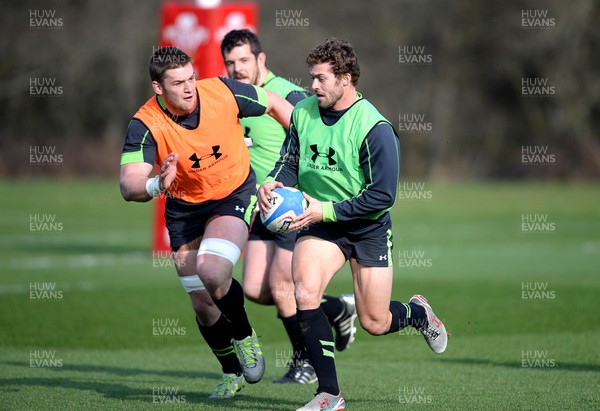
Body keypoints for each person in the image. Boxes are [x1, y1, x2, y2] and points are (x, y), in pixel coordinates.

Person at [258, 38, 448, 411]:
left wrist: (325, 210)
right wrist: (274, 180)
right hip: (319, 222)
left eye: (321, 79)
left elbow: (382, 196)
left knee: (375, 321)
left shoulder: (374, 127)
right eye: (312, 77)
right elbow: (290, 159)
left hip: (366, 226)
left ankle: (418, 313)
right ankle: (329, 394)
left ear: (346, 79)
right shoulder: (302, 113)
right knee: (305, 293)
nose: (312, 86)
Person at [120, 46, 294, 399]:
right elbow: (128, 183)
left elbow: (276, 105)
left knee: (212, 271)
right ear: (158, 88)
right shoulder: (145, 122)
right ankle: (231, 372)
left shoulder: (223, 91)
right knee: (201, 302)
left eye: (191, 78)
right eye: (178, 83)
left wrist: (305, 148)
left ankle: (245, 336)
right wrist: (156, 184)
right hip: (184, 209)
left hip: (234, 194)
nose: (189, 88)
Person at [221, 29, 359, 385]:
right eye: (230, 63)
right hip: (262, 205)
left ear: (260, 59)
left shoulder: (289, 96)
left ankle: (306, 363)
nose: (237, 69)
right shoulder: (236, 99)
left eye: (244, 61)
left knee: (285, 287)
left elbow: (310, 144)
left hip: (294, 203)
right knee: (254, 288)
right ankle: (338, 308)